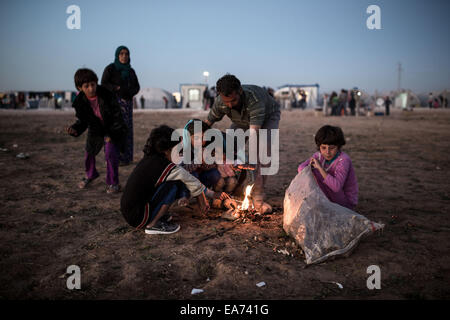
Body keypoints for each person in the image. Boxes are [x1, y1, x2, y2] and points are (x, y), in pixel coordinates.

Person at [120, 125, 229, 235]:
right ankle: (153, 224)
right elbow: (188, 178)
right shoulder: (163, 165)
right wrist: (203, 197)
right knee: (172, 185)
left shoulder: (153, 158)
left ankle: (158, 215)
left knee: (175, 181)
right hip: (138, 216)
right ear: (167, 151)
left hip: (132, 212)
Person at [204, 74, 280, 214]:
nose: (230, 105)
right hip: (241, 120)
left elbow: (253, 136)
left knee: (261, 153)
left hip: (268, 116)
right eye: (226, 102)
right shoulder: (220, 102)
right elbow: (206, 124)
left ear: (240, 91)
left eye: (233, 100)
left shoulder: (254, 100)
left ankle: (258, 193)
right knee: (229, 146)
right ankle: (233, 188)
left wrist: (249, 163)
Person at [66, 68, 127, 194]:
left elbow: (117, 116)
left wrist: (112, 134)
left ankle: (113, 183)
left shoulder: (107, 94)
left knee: (110, 154)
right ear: (79, 88)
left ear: (96, 83)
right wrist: (75, 129)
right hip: (96, 129)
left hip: (113, 128)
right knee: (89, 152)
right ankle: (91, 174)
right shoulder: (79, 102)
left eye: (93, 84)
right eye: (86, 86)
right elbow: (82, 121)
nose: (91, 88)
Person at [297, 125, 358, 210]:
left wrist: (320, 168)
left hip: (345, 202)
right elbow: (301, 168)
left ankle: (322, 203)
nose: (327, 152)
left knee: (317, 172)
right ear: (319, 147)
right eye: (323, 148)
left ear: (339, 146)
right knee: (311, 171)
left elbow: (336, 187)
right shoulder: (318, 156)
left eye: (332, 148)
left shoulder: (343, 160)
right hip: (329, 196)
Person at [101, 45, 140, 166]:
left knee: (126, 130)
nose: (124, 56)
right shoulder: (111, 69)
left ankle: (126, 158)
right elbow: (104, 84)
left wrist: (129, 91)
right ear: (117, 55)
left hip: (127, 105)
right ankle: (112, 157)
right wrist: (116, 88)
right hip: (114, 104)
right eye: (121, 54)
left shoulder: (131, 71)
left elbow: (137, 87)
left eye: (126, 54)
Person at [181, 119, 222, 190]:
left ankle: (205, 191)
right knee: (194, 175)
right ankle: (187, 196)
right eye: (196, 138)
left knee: (215, 174)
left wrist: (205, 163)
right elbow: (181, 171)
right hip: (187, 182)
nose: (200, 141)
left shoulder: (206, 148)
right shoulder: (183, 149)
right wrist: (196, 162)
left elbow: (213, 166)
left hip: (201, 179)